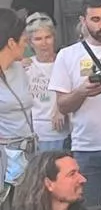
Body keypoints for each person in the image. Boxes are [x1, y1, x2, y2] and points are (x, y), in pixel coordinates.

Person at [50, 0, 101, 207]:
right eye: (95, 19)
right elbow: (62, 105)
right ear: (83, 20)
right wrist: (82, 92)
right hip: (86, 147)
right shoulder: (67, 55)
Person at [0, 9, 37, 194]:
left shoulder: (19, 68)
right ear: (11, 42)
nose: (27, 44)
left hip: (29, 152)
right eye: (24, 39)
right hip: (5, 160)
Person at [23, 14, 68, 152]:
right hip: (34, 136)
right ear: (30, 43)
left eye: (48, 37)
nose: (44, 43)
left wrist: (60, 109)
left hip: (62, 133)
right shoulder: (26, 66)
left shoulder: (64, 62)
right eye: (38, 39)